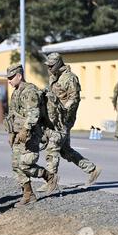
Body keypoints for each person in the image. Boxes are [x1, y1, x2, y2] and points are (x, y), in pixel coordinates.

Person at [38, 53, 101, 191]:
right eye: (47, 65)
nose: (49, 68)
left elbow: (74, 99)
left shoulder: (70, 78)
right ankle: (92, 169)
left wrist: (64, 115)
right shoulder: (54, 76)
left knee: (52, 148)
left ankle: (51, 181)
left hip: (64, 119)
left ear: (59, 63)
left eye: (51, 65)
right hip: (54, 118)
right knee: (65, 151)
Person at [3, 64, 58, 206]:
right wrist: (11, 132)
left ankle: (49, 176)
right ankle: (28, 195)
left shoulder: (30, 91)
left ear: (19, 76)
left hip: (31, 134)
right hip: (18, 135)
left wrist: (25, 130)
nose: (9, 80)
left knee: (25, 164)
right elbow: (12, 115)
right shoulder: (16, 92)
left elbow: (34, 113)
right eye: (7, 78)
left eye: (11, 77)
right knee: (16, 166)